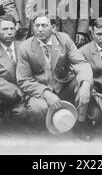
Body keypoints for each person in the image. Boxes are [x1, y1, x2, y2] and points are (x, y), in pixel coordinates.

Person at [16, 10, 94, 141]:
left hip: (62, 85)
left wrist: (85, 85)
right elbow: (23, 80)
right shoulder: (25, 47)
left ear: (54, 27)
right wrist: (46, 93)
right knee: (38, 108)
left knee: (83, 84)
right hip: (40, 90)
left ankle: (80, 123)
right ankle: (42, 130)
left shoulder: (63, 39)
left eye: (44, 26)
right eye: (37, 25)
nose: (39, 30)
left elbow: (81, 63)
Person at [0, 15, 31, 122]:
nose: (9, 32)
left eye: (12, 28)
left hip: (22, 95)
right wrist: (14, 90)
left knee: (22, 115)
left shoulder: (25, 47)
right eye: (5, 29)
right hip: (2, 95)